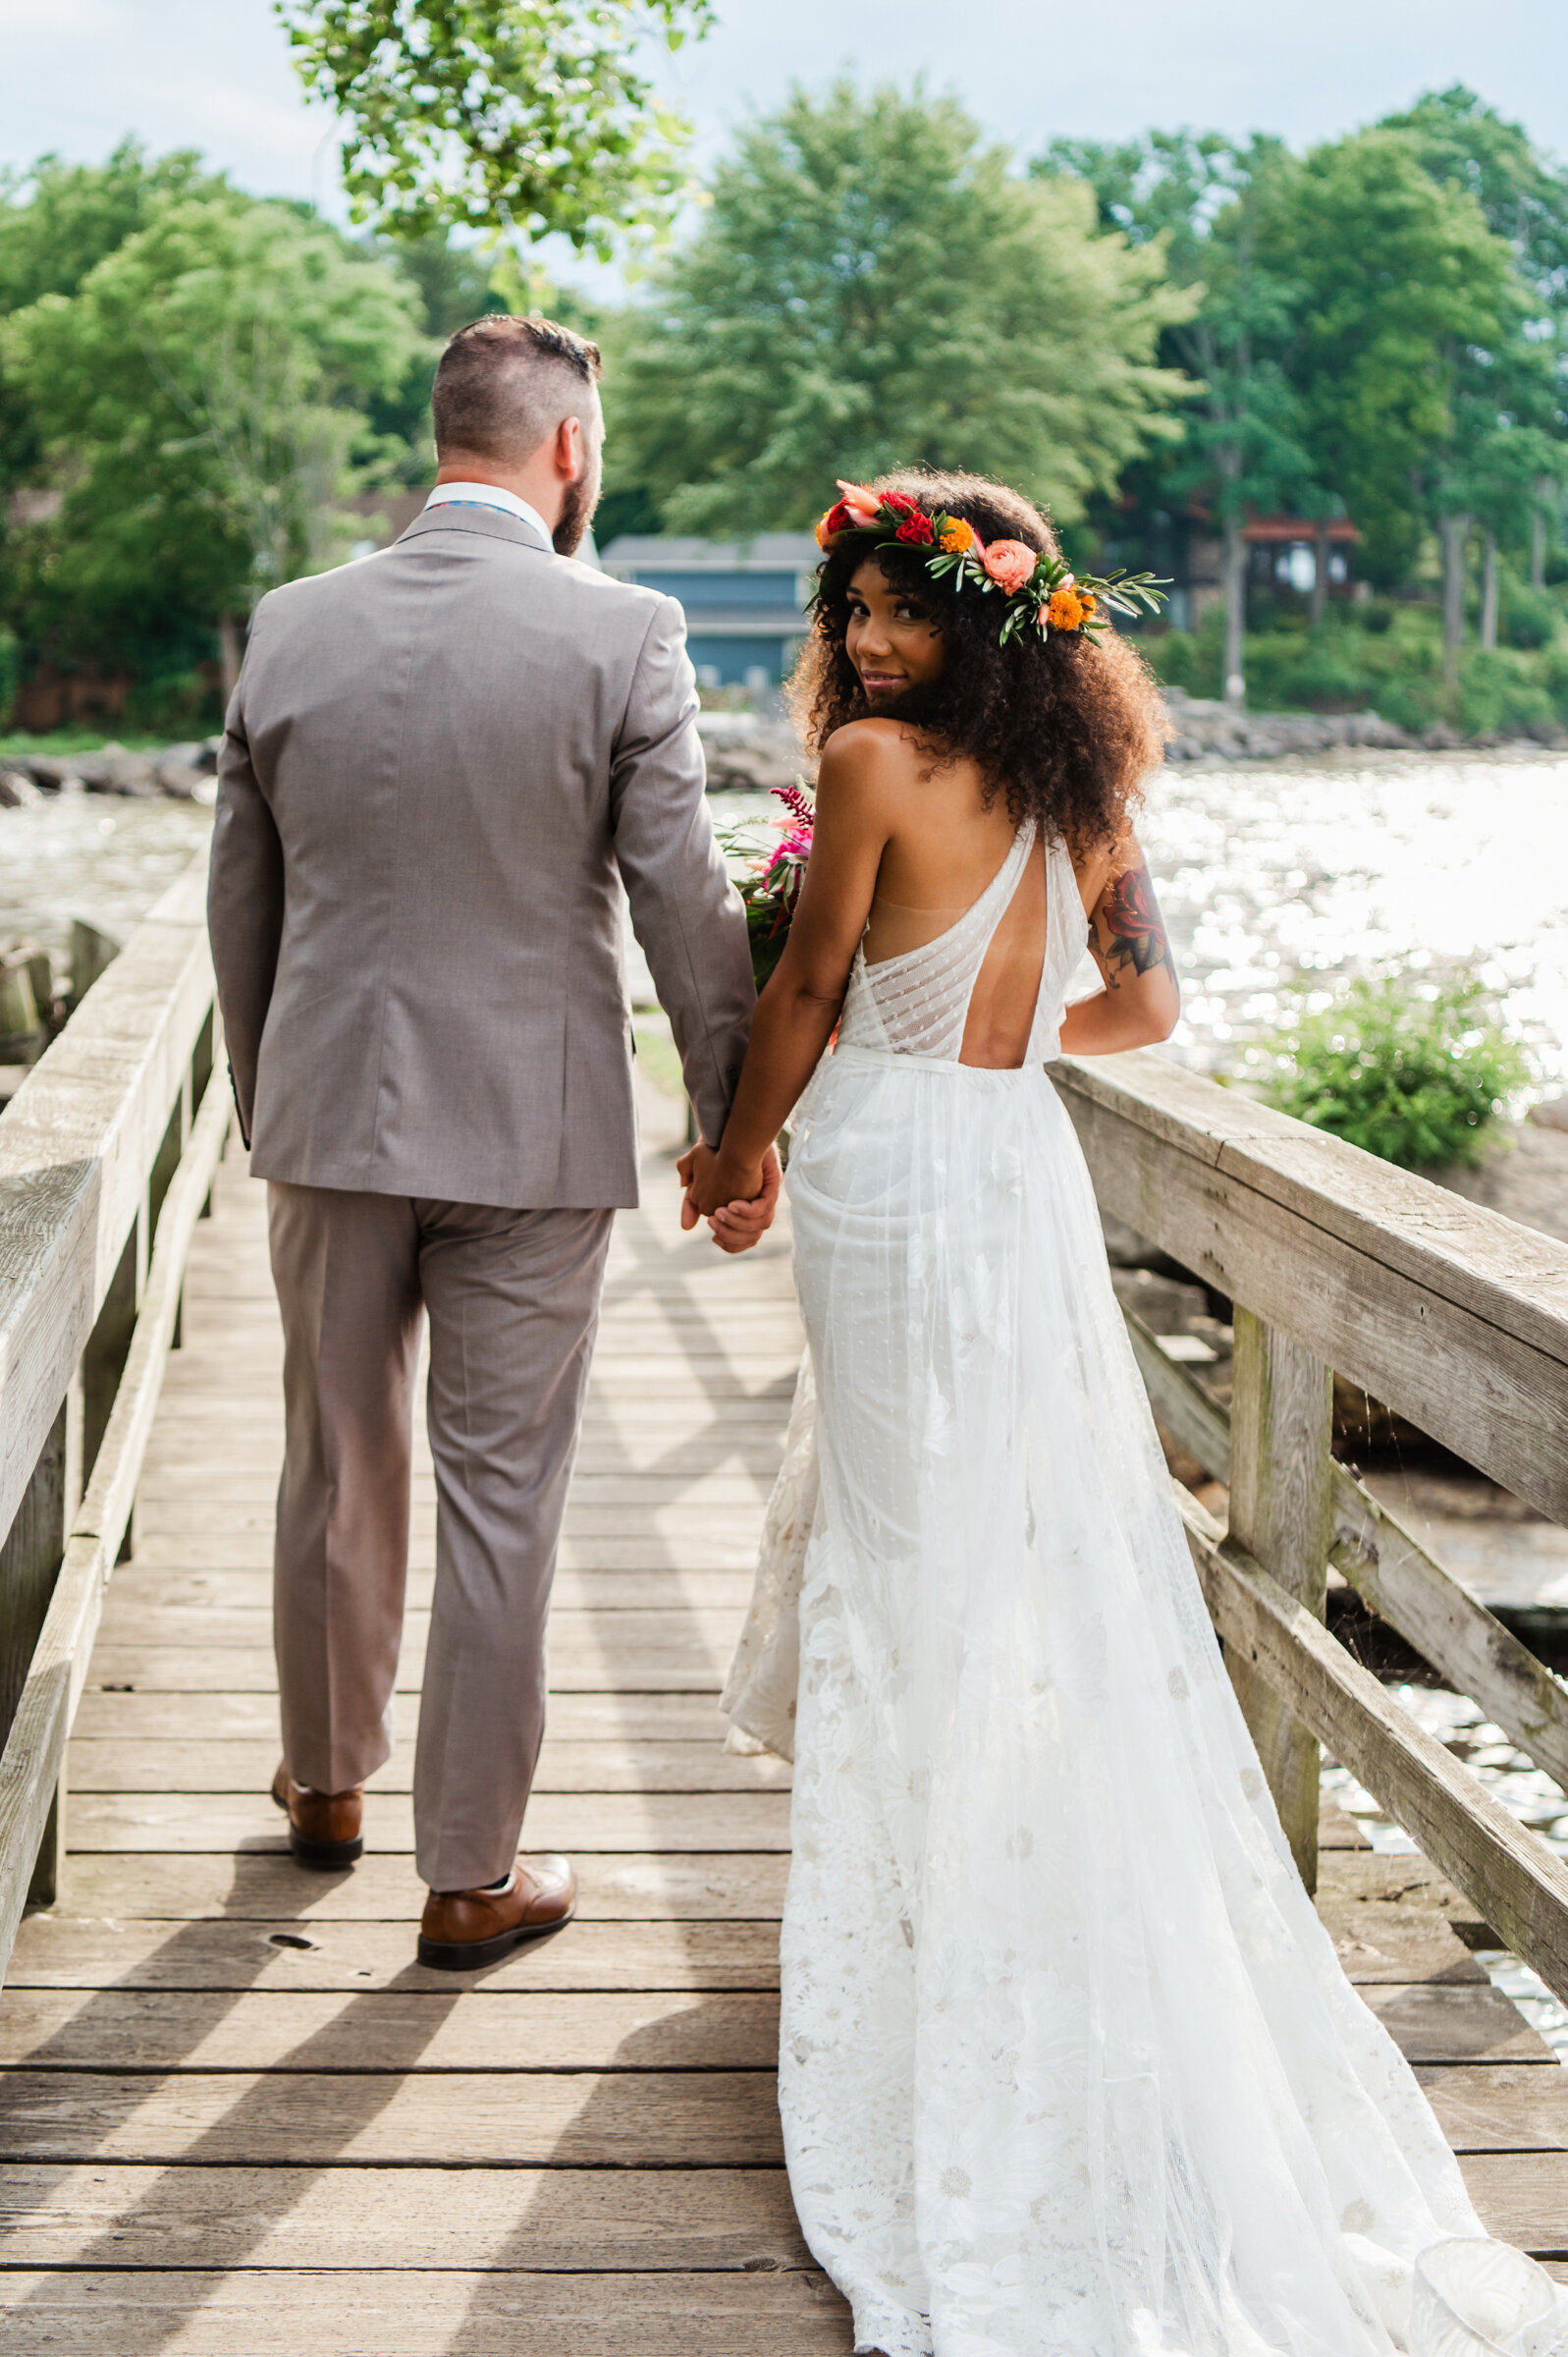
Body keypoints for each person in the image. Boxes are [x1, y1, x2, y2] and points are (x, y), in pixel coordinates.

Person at [682, 472, 1566, 2354]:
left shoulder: (870, 773)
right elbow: (1144, 1009)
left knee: (915, 1554)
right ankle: (1000, 1904)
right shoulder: (1085, 793)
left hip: (896, 1169)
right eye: (849, 611)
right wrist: (991, 1049)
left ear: (987, 621)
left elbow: (820, 982)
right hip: (1004, 1165)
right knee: (994, 1540)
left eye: (902, 613)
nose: (865, 643)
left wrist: (731, 1156)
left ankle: (936, 1956)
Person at [207, 313, 769, 1970]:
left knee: (333, 1456)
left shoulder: (292, 627)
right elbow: (682, 897)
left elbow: (245, 897)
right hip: (531, 1135)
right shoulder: (622, 632)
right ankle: (470, 1875)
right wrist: (726, 1125)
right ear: (569, 449)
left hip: (325, 1114)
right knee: (503, 1499)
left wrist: (273, 1099)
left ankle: (323, 1784)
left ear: (439, 436)